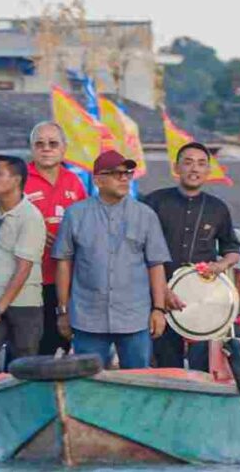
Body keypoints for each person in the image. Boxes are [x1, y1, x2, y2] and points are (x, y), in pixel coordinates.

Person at [52, 150, 172, 370]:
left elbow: (156, 264)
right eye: (117, 174)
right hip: (87, 317)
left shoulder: (145, 215)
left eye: (127, 173)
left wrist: (158, 309)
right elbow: (64, 263)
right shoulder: (75, 215)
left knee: (137, 380)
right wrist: (63, 311)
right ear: (98, 180)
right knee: (88, 382)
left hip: (134, 317)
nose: (124, 178)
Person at [143, 141, 240, 370]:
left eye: (201, 164)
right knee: (165, 366)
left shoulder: (218, 208)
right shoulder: (154, 202)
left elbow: (232, 250)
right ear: (176, 168)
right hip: (157, 300)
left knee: (203, 366)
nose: (194, 169)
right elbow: (137, 250)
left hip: (203, 299)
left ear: (208, 170)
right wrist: (161, 292)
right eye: (188, 163)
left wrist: (220, 265)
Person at [0, 155, 46, 379]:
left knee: (24, 365)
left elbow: (23, 269)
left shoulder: (30, 217)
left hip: (24, 304)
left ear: (16, 180)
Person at [24, 121, 88, 356]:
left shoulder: (74, 182)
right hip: (28, 281)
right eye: (39, 144)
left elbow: (86, 226)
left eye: (53, 144)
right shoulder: (19, 180)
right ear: (31, 148)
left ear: (64, 149)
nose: (46, 149)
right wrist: (35, 235)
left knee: (59, 350)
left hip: (66, 282)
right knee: (28, 350)